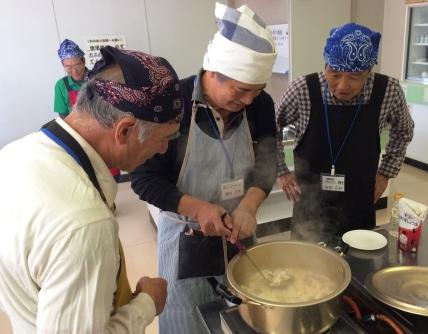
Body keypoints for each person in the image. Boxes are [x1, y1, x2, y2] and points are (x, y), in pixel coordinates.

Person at [0, 46, 184, 333]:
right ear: (124, 131)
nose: (163, 149)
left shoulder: (15, 154)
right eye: (164, 139)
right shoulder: (85, 225)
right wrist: (147, 303)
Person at [130, 3, 277, 333]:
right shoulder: (174, 103)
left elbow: (268, 162)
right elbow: (144, 178)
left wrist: (249, 206)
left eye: (258, 91)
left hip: (239, 230)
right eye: (241, 91)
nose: (250, 101)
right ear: (213, 72)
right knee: (189, 318)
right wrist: (198, 208)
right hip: (185, 235)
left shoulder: (260, 106)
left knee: (243, 315)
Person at [276, 23, 414, 241]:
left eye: (354, 77)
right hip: (310, 200)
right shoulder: (302, 89)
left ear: (369, 71)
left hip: (360, 198)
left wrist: (386, 172)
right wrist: (281, 171)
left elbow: (404, 131)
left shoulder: (388, 90)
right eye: (335, 73)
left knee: (360, 262)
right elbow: (270, 128)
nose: (342, 86)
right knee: (306, 266)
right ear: (325, 65)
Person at [54, 39, 88, 117]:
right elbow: (63, 115)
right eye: (68, 67)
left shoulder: (97, 78)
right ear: (63, 65)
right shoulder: (61, 85)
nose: (74, 71)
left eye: (77, 65)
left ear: (84, 61)